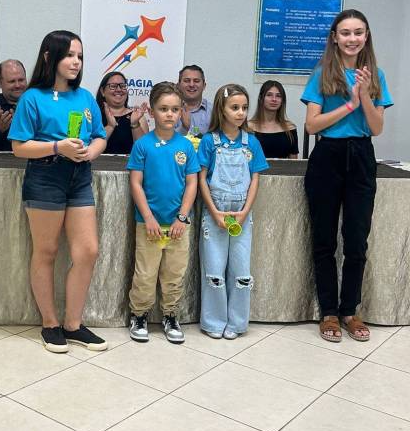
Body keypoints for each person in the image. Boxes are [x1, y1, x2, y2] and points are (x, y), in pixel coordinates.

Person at [9, 30, 108, 354]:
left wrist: (92, 151)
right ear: (50, 57)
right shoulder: (32, 98)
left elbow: (99, 135)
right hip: (46, 176)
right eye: (69, 55)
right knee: (47, 251)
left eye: (79, 56)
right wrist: (57, 147)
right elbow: (19, 147)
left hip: (79, 176)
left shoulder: (85, 97)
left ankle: (73, 324)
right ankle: (50, 324)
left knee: (87, 250)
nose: (76, 62)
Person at [302, 9, 393, 343]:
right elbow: (311, 125)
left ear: (366, 36)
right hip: (328, 155)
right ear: (335, 38)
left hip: (361, 155)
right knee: (324, 239)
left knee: (356, 240)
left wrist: (365, 95)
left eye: (358, 32)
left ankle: (349, 311)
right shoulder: (322, 74)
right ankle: (329, 311)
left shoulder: (376, 76)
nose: (352, 38)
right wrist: (349, 105)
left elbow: (377, 128)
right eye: (345, 33)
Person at [127, 82, 200, 344]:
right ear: (152, 111)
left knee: (174, 274)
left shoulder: (186, 146)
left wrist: (182, 217)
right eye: (163, 109)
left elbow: (191, 183)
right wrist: (148, 217)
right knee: (145, 274)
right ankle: (139, 315)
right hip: (149, 224)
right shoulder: (142, 145)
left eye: (175, 109)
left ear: (181, 112)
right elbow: (136, 183)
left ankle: (170, 315)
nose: (169, 114)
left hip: (178, 225)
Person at [198, 84, 269, 339]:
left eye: (244, 108)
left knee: (241, 271)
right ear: (222, 109)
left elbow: (255, 179)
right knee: (214, 269)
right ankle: (214, 322)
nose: (241, 113)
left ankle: (237, 323)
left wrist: (245, 211)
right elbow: (202, 178)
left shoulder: (252, 143)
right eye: (235, 107)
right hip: (215, 214)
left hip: (242, 215)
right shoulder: (209, 141)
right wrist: (214, 212)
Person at [96, 71, 149, 154]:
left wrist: (135, 124)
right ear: (102, 91)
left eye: (123, 86)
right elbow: (90, 147)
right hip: (98, 163)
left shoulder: (138, 117)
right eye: (113, 86)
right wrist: (110, 126)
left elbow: (144, 152)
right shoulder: (94, 116)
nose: (119, 89)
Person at [248, 80, 299, 158]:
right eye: (269, 95)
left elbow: (293, 163)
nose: (274, 99)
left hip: (282, 167)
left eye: (278, 96)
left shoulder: (290, 128)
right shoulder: (248, 128)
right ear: (261, 98)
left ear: (282, 101)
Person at [175, 65, 211, 137]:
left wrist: (189, 128)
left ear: (204, 85)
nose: (191, 85)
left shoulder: (214, 112)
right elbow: (165, 140)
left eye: (196, 81)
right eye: (187, 81)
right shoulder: (169, 110)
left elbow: (217, 142)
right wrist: (183, 128)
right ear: (178, 85)